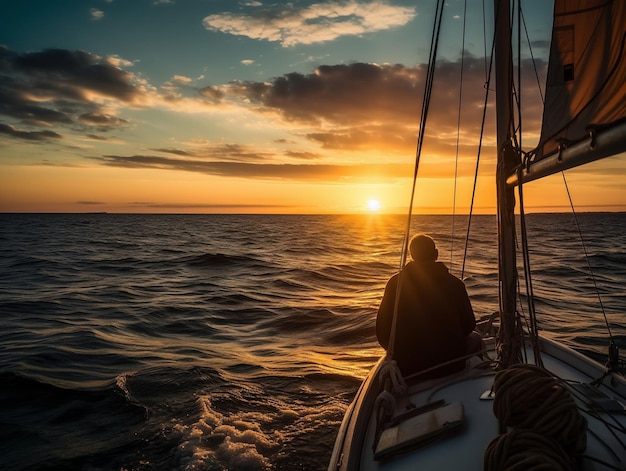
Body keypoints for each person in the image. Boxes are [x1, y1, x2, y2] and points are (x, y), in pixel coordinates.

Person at [376, 234, 481, 378]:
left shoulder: (395, 284)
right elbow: (469, 325)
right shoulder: (456, 284)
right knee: (477, 338)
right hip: (451, 364)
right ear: (436, 254)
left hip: (408, 366)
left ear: (412, 255)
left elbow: (382, 331)